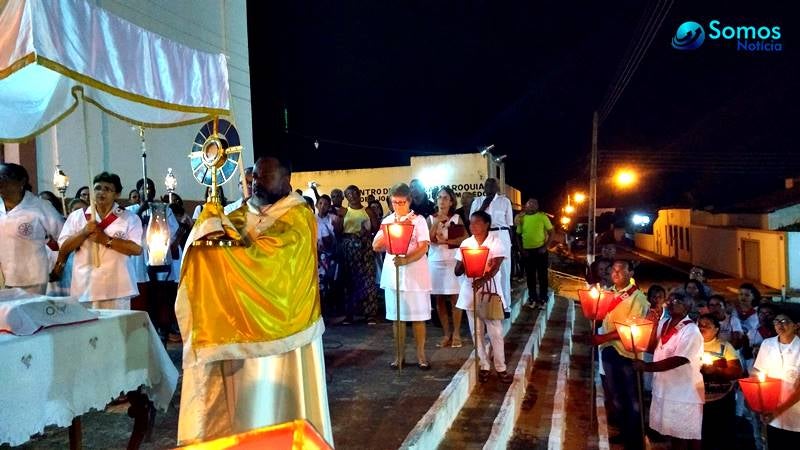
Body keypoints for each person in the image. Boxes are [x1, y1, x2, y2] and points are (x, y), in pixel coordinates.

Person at [176, 156, 332, 445]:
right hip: (237, 324)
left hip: (284, 334)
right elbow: (212, 242)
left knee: (275, 405)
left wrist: (231, 252)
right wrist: (209, 225)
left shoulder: (298, 217)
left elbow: (274, 260)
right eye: (255, 176)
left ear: (286, 181)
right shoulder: (240, 212)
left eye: (265, 177)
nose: (256, 182)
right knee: (239, 407)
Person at [57, 172, 142, 309]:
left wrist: (106, 240)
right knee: (87, 329)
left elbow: (136, 249)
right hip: (85, 286)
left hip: (118, 286)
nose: (101, 192)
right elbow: (64, 247)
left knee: (115, 329)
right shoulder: (78, 216)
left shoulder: (129, 218)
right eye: (97, 188)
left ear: (117, 194)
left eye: (107, 189)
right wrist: (83, 233)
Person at [373, 183, 432, 369]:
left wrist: (407, 260)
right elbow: (376, 245)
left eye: (401, 202)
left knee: (418, 316)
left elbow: (424, 246)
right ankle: (399, 356)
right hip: (394, 274)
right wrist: (392, 226)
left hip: (415, 273)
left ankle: (421, 355)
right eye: (394, 202)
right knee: (397, 317)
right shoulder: (388, 220)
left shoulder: (418, 220)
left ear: (409, 201)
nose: (398, 206)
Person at [634, 291, 704, 449]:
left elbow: (679, 359)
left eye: (677, 300)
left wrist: (647, 367)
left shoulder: (691, 331)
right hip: (666, 388)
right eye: (670, 300)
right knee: (672, 433)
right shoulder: (664, 323)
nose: (672, 303)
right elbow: (654, 347)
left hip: (684, 392)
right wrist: (636, 336)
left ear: (687, 306)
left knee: (685, 435)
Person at [592, 259, 649, 450]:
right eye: (613, 270)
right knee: (617, 396)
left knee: (632, 398)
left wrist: (602, 338)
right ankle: (625, 434)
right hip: (609, 349)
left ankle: (635, 440)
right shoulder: (611, 293)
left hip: (627, 354)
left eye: (621, 270)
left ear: (631, 273)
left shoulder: (638, 298)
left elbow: (632, 328)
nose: (615, 273)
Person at [454, 210, 513, 383]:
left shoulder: (495, 242)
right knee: (476, 331)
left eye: (477, 223)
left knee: (495, 330)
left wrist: (482, 279)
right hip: (470, 291)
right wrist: (467, 261)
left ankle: (501, 366)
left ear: (487, 224)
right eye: (471, 223)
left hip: (489, 292)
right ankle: (484, 365)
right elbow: (457, 270)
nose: (473, 226)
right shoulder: (466, 243)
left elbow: (495, 267)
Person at [0, 163, 64, 293]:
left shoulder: (40, 206)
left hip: (32, 279)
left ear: (21, 181)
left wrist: (59, 266)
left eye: (3, 177)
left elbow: (64, 237)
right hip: (3, 277)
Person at [752, 309, 800, 448]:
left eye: (784, 321)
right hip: (771, 414)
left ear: (796, 325)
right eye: (776, 321)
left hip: (795, 415)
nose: (779, 325)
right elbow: (757, 373)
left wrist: (777, 411)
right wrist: (760, 404)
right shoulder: (767, 344)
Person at [428, 187, 467, 348]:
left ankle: (457, 333)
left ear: (451, 201)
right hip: (435, 261)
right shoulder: (430, 218)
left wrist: (446, 242)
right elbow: (428, 239)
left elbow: (464, 238)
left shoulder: (457, 218)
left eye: (445, 198)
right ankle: (446, 334)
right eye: (439, 197)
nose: (442, 201)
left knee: (455, 298)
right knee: (439, 299)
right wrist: (437, 222)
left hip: (452, 260)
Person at [697, 314, 743, 449]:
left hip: (721, 400)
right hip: (697, 399)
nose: (702, 328)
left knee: (721, 436)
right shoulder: (692, 346)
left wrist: (716, 370)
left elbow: (736, 371)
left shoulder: (724, 346)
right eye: (700, 325)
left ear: (716, 329)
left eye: (707, 325)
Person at [470, 178, 514, 310]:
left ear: (497, 187)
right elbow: (472, 219)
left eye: (492, 185)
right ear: (484, 187)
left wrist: (510, 243)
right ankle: (484, 303)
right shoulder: (477, 201)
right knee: (484, 268)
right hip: (484, 235)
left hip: (501, 234)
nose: (490, 187)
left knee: (504, 270)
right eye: (487, 185)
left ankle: (505, 306)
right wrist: (484, 205)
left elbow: (509, 224)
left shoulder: (504, 201)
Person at [341, 184, 380, 324]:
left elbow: (376, 227)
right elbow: (340, 230)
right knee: (350, 280)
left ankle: (370, 314)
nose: (352, 197)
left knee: (368, 280)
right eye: (348, 195)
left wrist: (366, 231)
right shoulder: (344, 212)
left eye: (354, 193)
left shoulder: (367, 211)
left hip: (365, 247)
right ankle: (350, 314)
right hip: (349, 248)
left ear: (359, 194)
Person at [516, 198, 553, 308]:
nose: (531, 206)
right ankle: (532, 298)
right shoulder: (522, 218)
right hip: (527, 252)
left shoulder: (542, 217)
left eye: (534, 204)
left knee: (542, 276)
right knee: (530, 276)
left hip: (540, 250)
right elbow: (518, 235)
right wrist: (521, 250)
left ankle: (543, 299)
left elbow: (552, 232)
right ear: (526, 206)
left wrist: (545, 247)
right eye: (529, 204)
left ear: (537, 206)